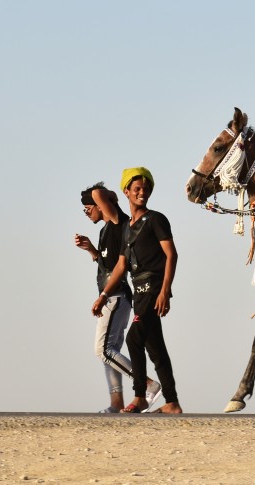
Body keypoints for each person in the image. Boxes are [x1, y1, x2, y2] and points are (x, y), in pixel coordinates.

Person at [92, 167, 182, 414]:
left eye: (146, 189)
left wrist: (165, 291)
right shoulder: (127, 229)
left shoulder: (156, 219)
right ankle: (172, 403)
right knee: (156, 348)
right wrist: (103, 295)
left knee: (133, 338)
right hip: (139, 290)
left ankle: (140, 396)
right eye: (137, 189)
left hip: (153, 288)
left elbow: (171, 255)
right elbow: (121, 265)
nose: (142, 193)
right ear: (127, 192)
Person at [74, 182, 161, 413]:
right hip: (113, 296)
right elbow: (108, 266)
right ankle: (116, 403)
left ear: (99, 206)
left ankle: (147, 384)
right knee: (109, 351)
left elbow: (97, 193)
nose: (86, 213)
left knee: (102, 349)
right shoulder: (104, 231)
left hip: (115, 296)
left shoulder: (117, 222)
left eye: (87, 209)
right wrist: (92, 251)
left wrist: (108, 197)